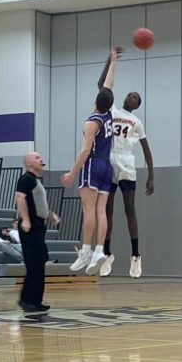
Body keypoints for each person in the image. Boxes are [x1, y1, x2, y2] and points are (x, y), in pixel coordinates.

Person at [96, 47, 154, 278]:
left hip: (127, 165)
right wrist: (109, 61)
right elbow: (102, 86)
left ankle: (135, 255)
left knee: (130, 209)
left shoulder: (136, 122)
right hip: (110, 161)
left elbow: (146, 150)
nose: (129, 96)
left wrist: (151, 175)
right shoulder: (111, 109)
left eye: (134, 96)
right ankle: (108, 253)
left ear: (137, 104)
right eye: (129, 94)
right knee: (107, 210)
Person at [61, 89, 114, 275]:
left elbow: (85, 151)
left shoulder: (91, 123)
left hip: (93, 165)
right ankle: (99, 250)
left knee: (88, 210)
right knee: (101, 211)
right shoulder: (109, 115)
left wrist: (72, 173)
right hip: (108, 166)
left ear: (95, 101)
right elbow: (108, 87)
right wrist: (113, 61)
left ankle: (85, 251)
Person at [15, 151, 60, 312]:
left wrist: (50, 215)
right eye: (37, 157)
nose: (41, 159)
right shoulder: (25, 178)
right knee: (33, 264)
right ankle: (27, 300)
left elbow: (38, 204)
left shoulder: (35, 181)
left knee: (39, 263)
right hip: (31, 226)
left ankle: (36, 300)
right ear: (28, 163)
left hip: (39, 224)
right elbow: (20, 198)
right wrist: (26, 219)